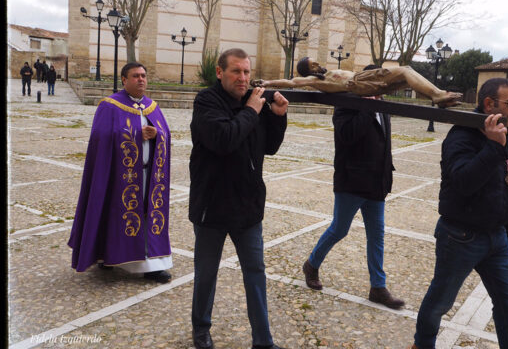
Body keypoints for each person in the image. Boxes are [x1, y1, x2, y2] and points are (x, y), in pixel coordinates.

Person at [411, 78, 508, 349]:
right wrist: (494, 147)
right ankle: (422, 345)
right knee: (440, 302)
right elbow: (462, 182)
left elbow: (506, 188)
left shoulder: (503, 137)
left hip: (496, 238)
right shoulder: (460, 135)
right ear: (489, 104)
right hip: (460, 236)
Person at [189, 48, 289, 349]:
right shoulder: (206, 101)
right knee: (206, 273)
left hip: (247, 207)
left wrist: (278, 117)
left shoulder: (253, 105)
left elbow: (269, 147)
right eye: (236, 71)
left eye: (246, 71)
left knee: (256, 273)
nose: (243, 77)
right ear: (220, 73)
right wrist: (252, 111)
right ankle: (201, 329)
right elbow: (223, 140)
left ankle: (263, 340)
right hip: (212, 206)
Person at [301, 65, 404, 310]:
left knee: (377, 236)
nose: (381, 86)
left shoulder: (383, 105)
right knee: (339, 229)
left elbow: (385, 143)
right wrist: (366, 106)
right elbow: (347, 136)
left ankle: (378, 287)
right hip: (352, 182)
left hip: (377, 184)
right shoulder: (346, 102)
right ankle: (312, 265)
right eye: (377, 82)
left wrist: (387, 177)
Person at [68, 62, 173, 283]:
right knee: (112, 212)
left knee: (147, 215)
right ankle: (107, 255)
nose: (141, 79)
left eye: (144, 75)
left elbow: (165, 134)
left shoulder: (153, 106)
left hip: (148, 176)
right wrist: (136, 134)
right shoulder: (109, 106)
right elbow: (101, 138)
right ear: (124, 80)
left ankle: (152, 265)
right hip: (117, 175)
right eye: (135, 76)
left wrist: (157, 135)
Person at [251, 57, 462, 107]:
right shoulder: (310, 80)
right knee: (405, 70)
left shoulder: (325, 74)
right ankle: (437, 95)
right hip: (360, 82)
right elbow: (289, 83)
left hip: (362, 80)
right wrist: (267, 82)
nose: (318, 65)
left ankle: (437, 97)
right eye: (314, 65)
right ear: (308, 69)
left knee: (404, 80)